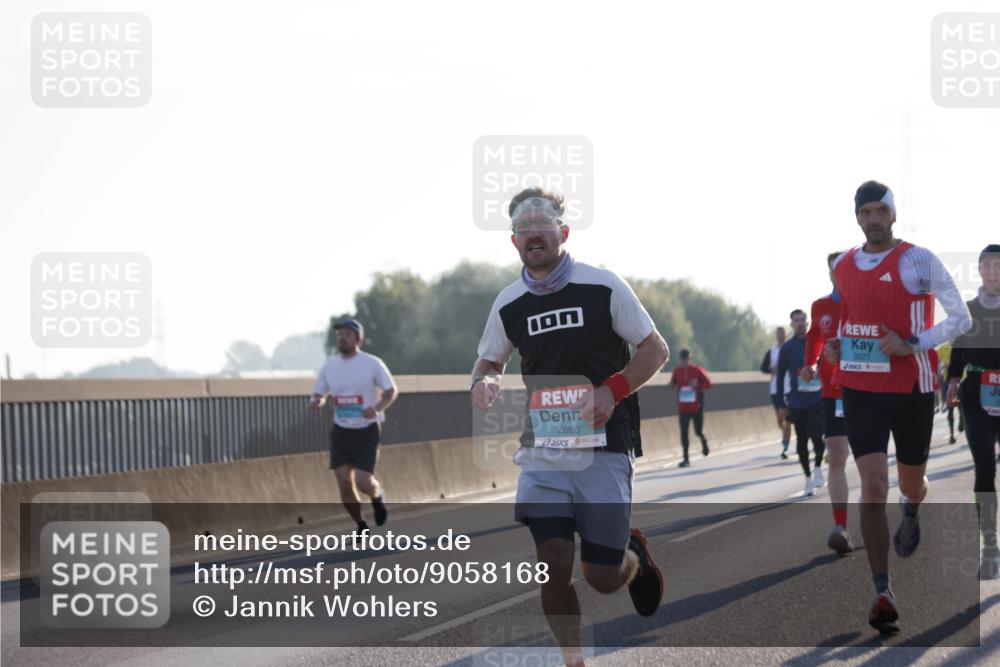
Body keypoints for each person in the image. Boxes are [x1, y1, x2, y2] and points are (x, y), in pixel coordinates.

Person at [470, 188, 669, 667]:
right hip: (544, 449)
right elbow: (489, 361)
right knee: (553, 564)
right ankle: (574, 661)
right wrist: (483, 383)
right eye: (523, 226)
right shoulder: (509, 302)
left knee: (601, 576)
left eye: (542, 223)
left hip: (605, 442)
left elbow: (654, 350)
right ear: (513, 240)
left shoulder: (602, 285)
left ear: (563, 232)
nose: (533, 232)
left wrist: (612, 390)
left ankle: (631, 555)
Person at [825, 180, 972, 634]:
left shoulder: (918, 259)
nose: (872, 219)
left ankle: (911, 508)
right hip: (861, 389)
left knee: (912, 482)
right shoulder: (845, 265)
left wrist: (912, 344)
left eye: (879, 211)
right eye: (864, 212)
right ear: (857, 218)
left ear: (892, 215)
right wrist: (838, 344)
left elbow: (960, 318)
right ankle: (882, 591)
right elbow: (854, 321)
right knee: (872, 484)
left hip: (911, 387)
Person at [310, 318, 397, 533]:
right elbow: (319, 393)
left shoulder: (372, 363)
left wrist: (376, 408)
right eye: (340, 334)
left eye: (348, 334)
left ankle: (377, 496)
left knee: (362, 481)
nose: (342, 337)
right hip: (341, 431)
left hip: (366, 430)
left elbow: (390, 391)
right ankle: (360, 524)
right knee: (343, 481)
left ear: (359, 339)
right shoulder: (330, 367)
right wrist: (317, 402)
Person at [946, 244, 1000, 579]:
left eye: (999, 265)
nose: (993, 271)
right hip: (977, 394)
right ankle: (990, 547)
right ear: (979, 270)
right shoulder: (968, 311)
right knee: (984, 471)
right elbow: (958, 352)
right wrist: (953, 380)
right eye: (988, 265)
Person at [801, 252, 854, 554]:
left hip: (866, 391)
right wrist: (810, 363)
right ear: (831, 274)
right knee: (836, 455)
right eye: (835, 270)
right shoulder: (821, 306)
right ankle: (841, 526)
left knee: (869, 463)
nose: (840, 274)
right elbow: (814, 338)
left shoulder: (865, 302)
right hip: (834, 392)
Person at [777, 309, 826, 497]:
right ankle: (807, 479)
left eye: (803, 319)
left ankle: (819, 467)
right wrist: (781, 403)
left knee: (816, 436)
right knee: (801, 442)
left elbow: (827, 365)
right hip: (797, 402)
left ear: (808, 322)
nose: (800, 323)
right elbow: (780, 376)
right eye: (796, 320)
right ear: (791, 324)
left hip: (816, 398)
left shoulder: (817, 343)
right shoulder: (787, 349)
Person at [670, 348, 713, 467]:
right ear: (680, 359)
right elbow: (673, 383)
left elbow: (709, 384)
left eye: (687, 359)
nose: (685, 362)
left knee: (698, 431)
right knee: (684, 433)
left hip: (696, 407)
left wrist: (698, 384)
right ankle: (686, 459)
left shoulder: (697, 370)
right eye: (683, 360)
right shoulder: (677, 371)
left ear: (690, 359)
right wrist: (671, 385)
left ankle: (704, 441)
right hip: (683, 407)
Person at [761, 327, 792, 458]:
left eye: (783, 333)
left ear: (786, 335)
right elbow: (763, 368)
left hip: (790, 387)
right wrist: (771, 370)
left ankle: (785, 445)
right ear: (776, 335)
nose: (781, 336)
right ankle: (785, 433)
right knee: (780, 418)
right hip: (775, 388)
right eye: (778, 333)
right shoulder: (772, 351)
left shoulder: (791, 348)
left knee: (787, 417)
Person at [940, 362, 965, 444]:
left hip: (957, 382)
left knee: (958, 405)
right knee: (951, 409)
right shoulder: (942, 350)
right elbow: (942, 369)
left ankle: (961, 420)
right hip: (948, 384)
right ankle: (952, 434)